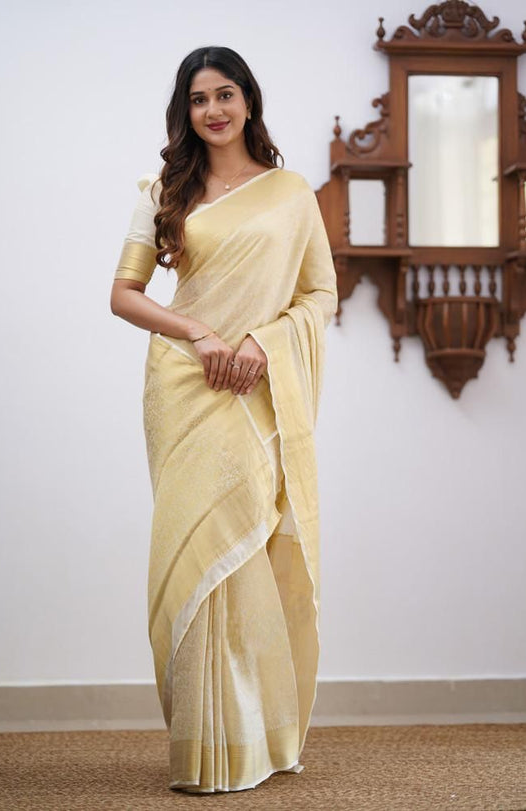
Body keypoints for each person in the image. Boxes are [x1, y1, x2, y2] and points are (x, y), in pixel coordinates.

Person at [110, 45, 337, 794]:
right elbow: (124, 294)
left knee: (243, 547)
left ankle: (252, 736)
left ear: (248, 101)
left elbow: (319, 295)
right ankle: (201, 745)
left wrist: (262, 343)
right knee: (193, 549)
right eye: (198, 98)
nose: (213, 110)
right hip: (184, 384)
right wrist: (201, 334)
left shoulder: (290, 193)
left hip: (255, 386)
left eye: (225, 94)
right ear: (186, 110)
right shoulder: (164, 191)